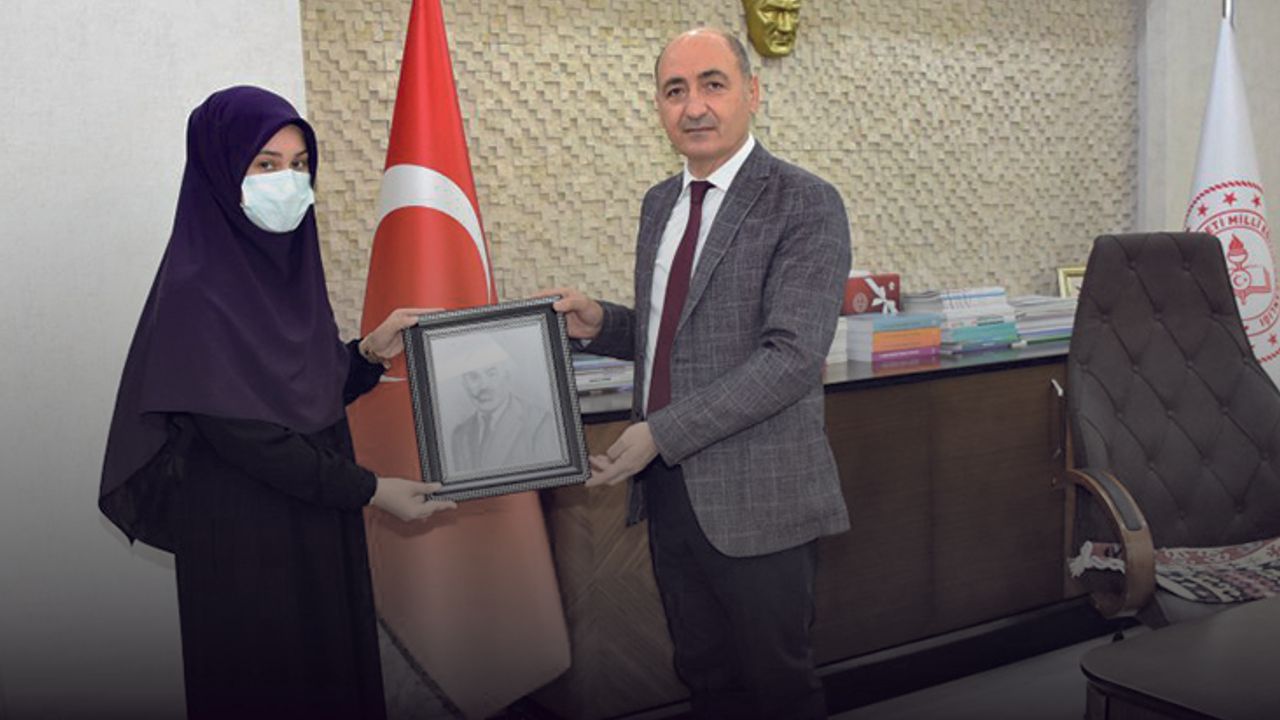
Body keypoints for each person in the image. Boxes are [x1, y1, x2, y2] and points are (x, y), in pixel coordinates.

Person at [97, 86, 455, 720]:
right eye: (265, 164)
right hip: (247, 540)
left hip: (315, 520)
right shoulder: (196, 291)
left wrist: (368, 354)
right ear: (220, 173)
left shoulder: (288, 273)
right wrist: (372, 490)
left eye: (299, 165)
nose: (287, 181)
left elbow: (303, 393)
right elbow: (250, 436)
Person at [550, 28, 851, 720]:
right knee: (705, 679)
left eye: (713, 84)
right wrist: (604, 324)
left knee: (777, 688)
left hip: (759, 495)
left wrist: (661, 432)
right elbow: (679, 336)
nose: (694, 106)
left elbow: (790, 358)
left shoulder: (804, 202)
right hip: (670, 493)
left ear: (753, 92)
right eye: (675, 90)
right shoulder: (660, 203)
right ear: (658, 106)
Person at [445, 336, 559, 475]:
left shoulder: (539, 423)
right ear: (464, 384)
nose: (484, 386)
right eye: (473, 377)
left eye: (491, 374)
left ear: (507, 376)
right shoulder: (460, 435)